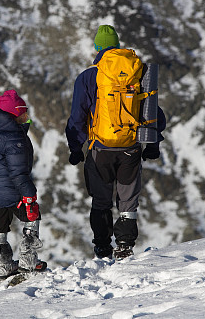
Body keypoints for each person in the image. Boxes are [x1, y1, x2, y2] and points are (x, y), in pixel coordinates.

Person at [65, 25, 167, 260]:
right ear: (118, 46)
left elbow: (78, 117)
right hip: (131, 146)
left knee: (101, 200)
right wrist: (153, 143)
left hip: (101, 147)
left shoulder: (90, 76)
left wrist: (75, 148)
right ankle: (125, 245)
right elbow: (153, 111)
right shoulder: (138, 71)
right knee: (128, 199)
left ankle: (102, 247)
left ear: (98, 48)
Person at [0, 90, 46, 279]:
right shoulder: (14, 139)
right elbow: (18, 172)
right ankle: (28, 262)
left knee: (0, 226)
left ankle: (3, 266)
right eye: (23, 113)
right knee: (32, 217)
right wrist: (29, 195)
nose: (27, 116)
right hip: (12, 191)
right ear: (14, 114)